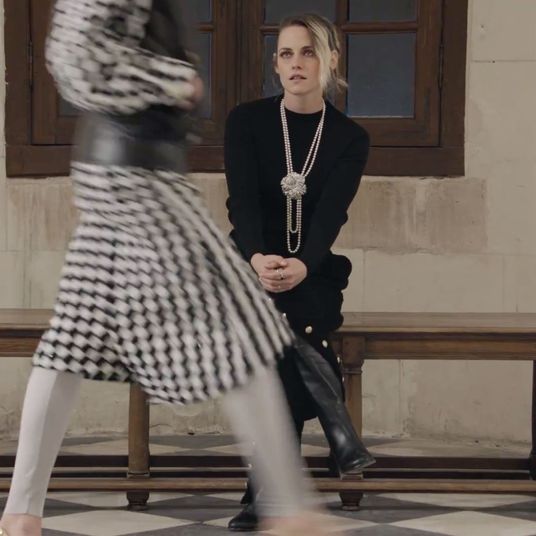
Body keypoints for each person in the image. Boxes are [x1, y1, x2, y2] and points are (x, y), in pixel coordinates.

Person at [0, 2, 333, 535]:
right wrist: (174, 81)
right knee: (242, 323)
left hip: (119, 171)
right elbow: (75, 59)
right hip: (138, 179)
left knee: (70, 341)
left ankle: (20, 514)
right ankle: (290, 510)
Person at [224, 13, 374, 531]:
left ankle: (264, 492)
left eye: (308, 52)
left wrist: (303, 264)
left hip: (314, 270)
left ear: (331, 59)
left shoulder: (350, 137)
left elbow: (332, 214)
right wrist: (256, 258)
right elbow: (241, 204)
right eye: (286, 54)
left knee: (282, 329)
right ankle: (337, 430)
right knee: (286, 327)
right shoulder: (246, 122)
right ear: (276, 65)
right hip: (248, 264)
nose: (296, 63)